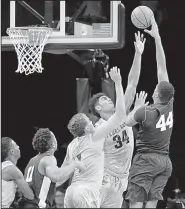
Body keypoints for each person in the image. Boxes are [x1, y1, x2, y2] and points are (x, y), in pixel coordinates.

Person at [88, 31, 146, 208]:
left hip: (122, 177)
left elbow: (132, 83)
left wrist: (138, 54)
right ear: (98, 108)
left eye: (108, 97)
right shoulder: (98, 128)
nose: (109, 98)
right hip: (105, 176)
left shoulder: (121, 115)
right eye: (104, 99)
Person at [125, 16, 175, 208]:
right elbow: (162, 69)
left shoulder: (146, 112)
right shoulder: (169, 103)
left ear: (156, 93)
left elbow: (127, 122)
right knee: (152, 205)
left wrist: (137, 107)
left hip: (146, 159)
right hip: (165, 161)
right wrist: (157, 38)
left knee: (137, 204)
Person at [63, 66, 126, 208]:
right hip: (88, 190)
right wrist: (117, 82)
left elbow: (61, 175)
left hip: (71, 191)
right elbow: (121, 113)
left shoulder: (73, 144)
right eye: (88, 120)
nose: (91, 121)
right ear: (86, 127)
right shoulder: (97, 134)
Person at [23, 128, 84, 208]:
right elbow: (57, 177)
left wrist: (68, 161)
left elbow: (52, 183)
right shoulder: (48, 158)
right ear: (53, 144)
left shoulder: (32, 161)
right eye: (54, 137)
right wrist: (75, 165)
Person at [1, 137, 34, 208]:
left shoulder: (3, 167)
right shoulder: (12, 170)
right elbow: (30, 196)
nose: (18, 147)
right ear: (12, 151)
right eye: (16, 145)